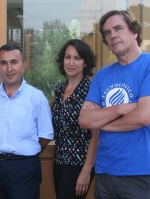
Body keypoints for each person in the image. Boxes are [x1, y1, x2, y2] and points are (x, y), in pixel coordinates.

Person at [78, 10, 150, 199]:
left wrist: (104, 124)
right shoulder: (102, 76)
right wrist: (121, 109)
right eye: (107, 32)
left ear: (134, 32)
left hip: (139, 172)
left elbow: (143, 117)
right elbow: (85, 120)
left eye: (118, 28)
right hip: (105, 171)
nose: (112, 35)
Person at [0, 44, 54, 199]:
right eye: (3, 63)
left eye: (14, 62)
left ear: (24, 66)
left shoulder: (36, 97)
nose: (9, 68)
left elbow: (46, 135)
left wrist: (26, 151)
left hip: (24, 168)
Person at [52, 39, 98, 199]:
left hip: (79, 163)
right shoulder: (59, 91)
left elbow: (96, 136)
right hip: (59, 161)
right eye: (67, 57)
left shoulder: (90, 92)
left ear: (85, 63)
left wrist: (86, 171)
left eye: (77, 58)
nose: (71, 63)